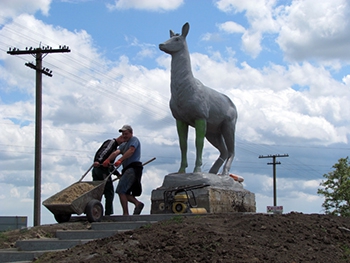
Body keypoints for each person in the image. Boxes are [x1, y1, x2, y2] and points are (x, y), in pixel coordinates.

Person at [114, 124, 144, 215]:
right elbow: (117, 152)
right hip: (127, 169)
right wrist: (108, 160)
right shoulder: (124, 144)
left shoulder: (134, 140)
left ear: (131, 133)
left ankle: (125, 214)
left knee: (120, 190)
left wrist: (120, 159)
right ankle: (137, 203)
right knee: (125, 192)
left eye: (126, 133)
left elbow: (131, 150)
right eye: (123, 134)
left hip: (132, 168)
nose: (124, 136)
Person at [92, 135, 124, 216]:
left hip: (100, 169)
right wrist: (98, 161)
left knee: (97, 191)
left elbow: (110, 165)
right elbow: (103, 152)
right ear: (121, 138)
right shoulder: (111, 143)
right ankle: (108, 213)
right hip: (101, 169)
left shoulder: (114, 148)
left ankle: (94, 210)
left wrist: (117, 174)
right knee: (109, 191)